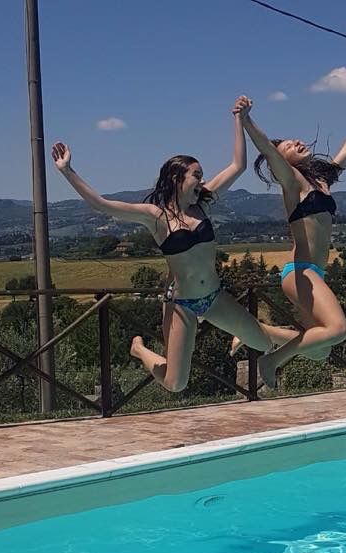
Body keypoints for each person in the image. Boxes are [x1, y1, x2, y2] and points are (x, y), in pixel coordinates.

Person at [51, 99, 298, 392]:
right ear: (177, 178)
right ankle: (139, 349)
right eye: (196, 175)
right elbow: (102, 205)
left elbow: (238, 165)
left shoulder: (204, 201)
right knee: (175, 383)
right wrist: (68, 171)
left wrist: (239, 119)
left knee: (261, 342)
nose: (202, 180)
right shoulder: (156, 218)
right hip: (181, 304)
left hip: (215, 298)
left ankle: (244, 332)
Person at [233, 94, 346, 386]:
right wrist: (246, 120)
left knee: (321, 350)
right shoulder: (292, 183)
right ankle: (271, 359)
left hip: (315, 273)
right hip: (299, 271)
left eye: (294, 140)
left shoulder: (322, 181)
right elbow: (267, 149)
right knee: (338, 328)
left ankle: (260, 331)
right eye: (288, 146)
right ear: (284, 161)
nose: (296, 142)